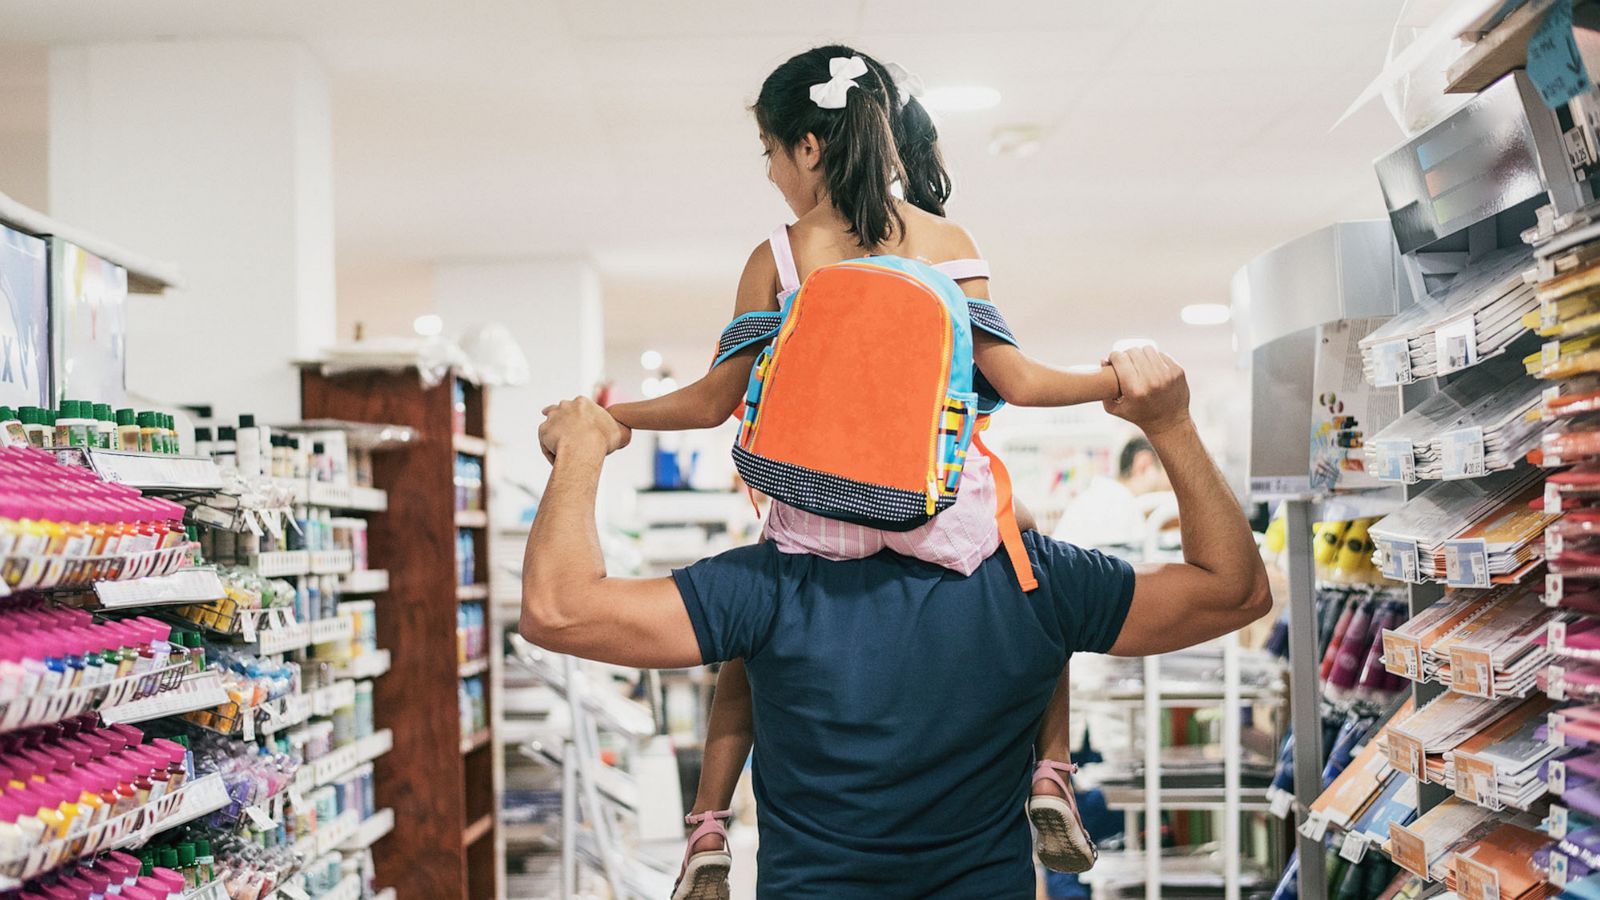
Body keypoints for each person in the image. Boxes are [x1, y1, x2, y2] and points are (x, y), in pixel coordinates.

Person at [601, 46, 1119, 895]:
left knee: (752, 644)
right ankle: (1051, 770)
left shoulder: (783, 253)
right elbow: (1018, 382)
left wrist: (608, 416)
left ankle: (706, 824)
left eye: (769, 150)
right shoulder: (949, 242)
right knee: (1036, 584)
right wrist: (1120, 380)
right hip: (940, 512)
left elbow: (711, 400)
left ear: (808, 147)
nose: (769, 172)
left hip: (819, 516)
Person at [523, 343, 1272, 899]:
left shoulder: (769, 584)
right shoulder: (1032, 575)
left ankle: (704, 825)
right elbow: (1234, 593)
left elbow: (560, 610)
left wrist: (584, 449)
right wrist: (1170, 425)